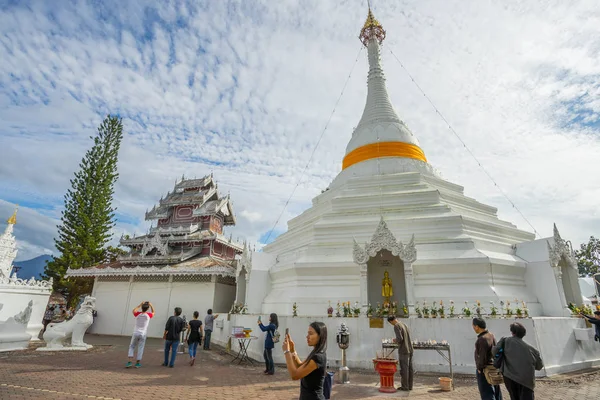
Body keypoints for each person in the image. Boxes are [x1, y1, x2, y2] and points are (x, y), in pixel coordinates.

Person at [493, 322, 543, 400]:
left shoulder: (505, 341)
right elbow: (539, 366)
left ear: (512, 332)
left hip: (509, 377)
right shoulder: (533, 350)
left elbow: (494, 351)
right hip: (526, 381)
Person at [282, 322, 328, 400]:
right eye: (308, 334)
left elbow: (295, 375)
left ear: (320, 336)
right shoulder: (315, 353)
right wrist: (293, 351)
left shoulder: (318, 357)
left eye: (311, 334)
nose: (307, 337)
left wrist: (287, 352)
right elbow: (300, 366)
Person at [472, 317, 502, 400]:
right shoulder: (491, 335)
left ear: (477, 326)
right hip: (493, 367)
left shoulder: (482, 339)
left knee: (487, 393)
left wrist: (479, 368)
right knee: (496, 391)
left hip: (485, 369)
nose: (473, 328)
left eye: (473, 326)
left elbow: (482, 356)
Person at [387, 315, 414, 391]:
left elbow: (400, 338)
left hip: (403, 349)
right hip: (410, 348)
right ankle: (410, 386)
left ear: (391, 321)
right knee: (410, 369)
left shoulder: (396, 326)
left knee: (404, 369)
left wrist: (395, 340)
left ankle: (405, 387)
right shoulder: (404, 324)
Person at [126, 301, 155, 368]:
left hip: (136, 332)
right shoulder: (148, 315)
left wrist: (140, 305)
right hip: (143, 333)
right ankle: (138, 363)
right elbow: (153, 312)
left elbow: (134, 310)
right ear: (147, 309)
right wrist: (151, 305)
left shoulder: (138, 314)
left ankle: (129, 362)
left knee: (132, 346)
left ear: (142, 308)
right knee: (141, 347)